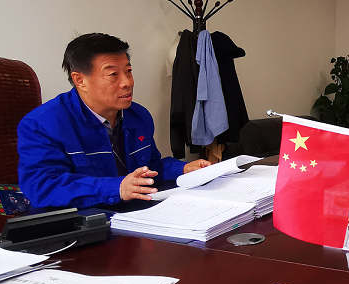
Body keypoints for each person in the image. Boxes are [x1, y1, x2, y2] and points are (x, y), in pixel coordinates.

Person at [17, 33, 210, 208]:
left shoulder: (138, 115)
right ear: (80, 80)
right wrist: (117, 188)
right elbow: (42, 187)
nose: (127, 82)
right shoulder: (42, 125)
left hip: (138, 215)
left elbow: (150, 167)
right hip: (85, 222)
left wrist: (184, 168)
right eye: (113, 75)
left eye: (128, 71)